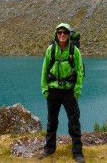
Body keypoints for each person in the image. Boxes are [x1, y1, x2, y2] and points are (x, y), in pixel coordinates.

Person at [39, 23, 85, 163]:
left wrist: (77, 91)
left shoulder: (74, 51)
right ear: (56, 34)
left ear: (69, 34)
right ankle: (49, 148)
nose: (62, 35)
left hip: (69, 92)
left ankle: (77, 152)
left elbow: (79, 71)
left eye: (65, 32)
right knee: (51, 121)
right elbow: (44, 70)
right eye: (60, 32)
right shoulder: (50, 50)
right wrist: (45, 89)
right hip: (53, 91)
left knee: (74, 122)